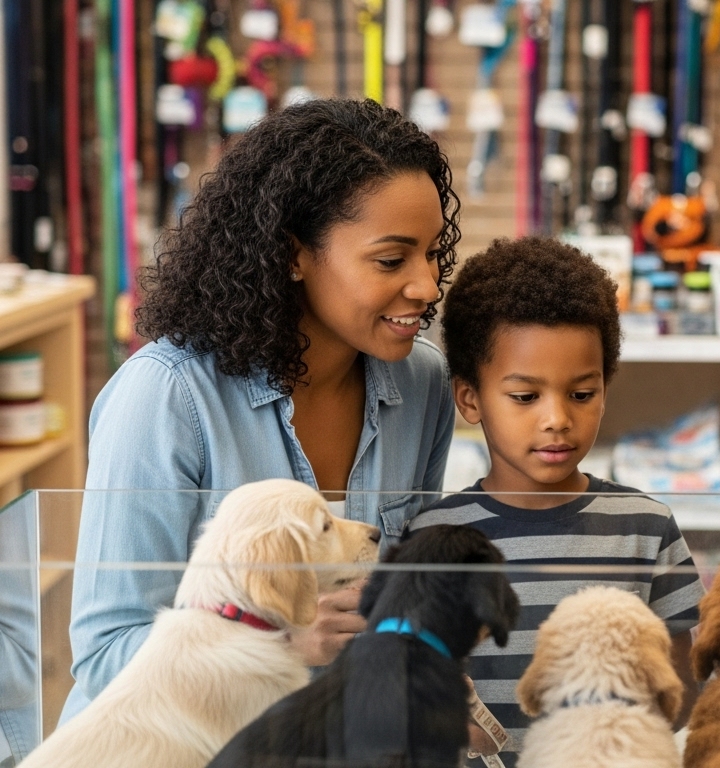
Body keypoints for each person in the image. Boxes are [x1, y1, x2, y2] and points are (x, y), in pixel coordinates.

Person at [64, 99, 460, 720]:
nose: (427, 286)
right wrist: (277, 643)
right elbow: (105, 653)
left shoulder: (424, 383)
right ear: (292, 254)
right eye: (391, 260)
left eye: (434, 252)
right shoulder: (166, 397)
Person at [405, 237, 706, 765]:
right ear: (470, 398)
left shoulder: (645, 526)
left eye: (582, 394)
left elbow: (678, 694)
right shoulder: (434, 538)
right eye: (525, 397)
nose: (557, 419)